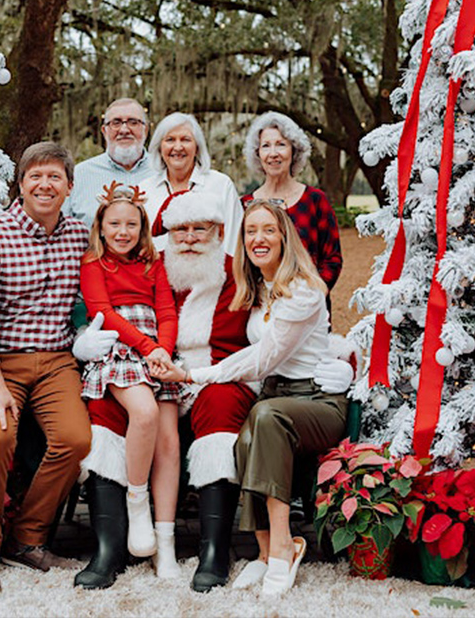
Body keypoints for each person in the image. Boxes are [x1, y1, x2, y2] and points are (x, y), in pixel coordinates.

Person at [72, 193, 354, 592]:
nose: (188, 238)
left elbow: (286, 334)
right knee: (106, 410)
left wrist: (344, 356)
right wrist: (85, 342)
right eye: (180, 230)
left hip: (218, 372)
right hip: (151, 367)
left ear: (219, 232)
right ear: (166, 233)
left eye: (199, 228)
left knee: (222, 413)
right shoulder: (152, 266)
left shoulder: (240, 271)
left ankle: (214, 551)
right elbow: (106, 307)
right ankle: (109, 548)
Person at [155, 199, 349, 596]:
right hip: (276, 399)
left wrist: (193, 375)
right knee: (245, 437)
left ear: (284, 237)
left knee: (264, 419)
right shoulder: (259, 286)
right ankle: (262, 552)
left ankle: (283, 545)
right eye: (250, 231)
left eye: (268, 230)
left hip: (315, 400)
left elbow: (263, 359)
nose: (258, 239)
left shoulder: (303, 290)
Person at [0, 142, 92, 593]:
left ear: (69, 187)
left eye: (54, 176)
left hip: (56, 361)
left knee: (75, 440)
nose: (44, 184)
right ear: (21, 184)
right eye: (35, 176)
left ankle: (27, 538)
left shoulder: (79, 236)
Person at [79, 182, 181, 578]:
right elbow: (104, 311)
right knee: (143, 413)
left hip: (156, 352)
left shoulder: (153, 264)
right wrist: (146, 347)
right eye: (115, 224)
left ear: (143, 228)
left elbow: (167, 310)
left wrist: (164, 351)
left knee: (169, 442)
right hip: (120, 346)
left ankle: (166, 544)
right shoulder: (93, 264)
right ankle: (137, 500)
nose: (123, 232)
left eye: (132, 225)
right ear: (101, 227)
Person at [241, 111, 342, 301]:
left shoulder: (315, 200)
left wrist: (312, 296)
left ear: (294, 151)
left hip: (308, 307)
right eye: (265, 146)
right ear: (257, 154)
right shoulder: (245, 205)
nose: (273, 153)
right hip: (260, 307)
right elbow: (239, 262)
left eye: (281, 144)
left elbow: (332, 259)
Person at [141, 112, 243, 256]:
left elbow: (234, 241)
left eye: (185, 139)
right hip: (154, 276)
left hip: (212, 275)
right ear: (159, 147)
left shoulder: (220, 185)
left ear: (197, 147)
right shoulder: (145, 190)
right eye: (170, 140)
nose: (177, 147)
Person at [64, 98, 153, 228]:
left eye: (133, 122)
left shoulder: (164, 170)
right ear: (104, 131)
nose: (124, 130)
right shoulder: (78, 175)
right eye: (116, 123)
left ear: (145, 130)